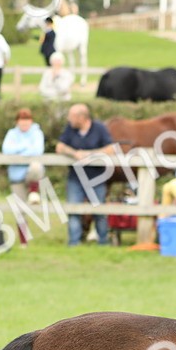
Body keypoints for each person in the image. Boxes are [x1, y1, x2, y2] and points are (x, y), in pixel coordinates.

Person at [54, 103, 117, 246]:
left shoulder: (99, 128)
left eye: (71, 117)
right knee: (74, 210)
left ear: (81, 118)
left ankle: (103, 242)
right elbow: (60, 147)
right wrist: (75, 153)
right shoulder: (70, 129)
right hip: (75, 178)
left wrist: (90, 155)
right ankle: (74, 243)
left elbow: (111, 149)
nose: (69, 120)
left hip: (97, 178)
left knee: (99, 211)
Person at [2, 108, 45, 244]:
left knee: (36, 167)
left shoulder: (37, 133)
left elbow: (37, 150)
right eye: (22, 121)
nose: (24, 124)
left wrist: (18, 150)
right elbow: (6, 150)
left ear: (31, 121)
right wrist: (26, 147)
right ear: (17, 122)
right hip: (16, 176)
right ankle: (23, 241)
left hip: (32, 174)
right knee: (19, 211)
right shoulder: (11, 134)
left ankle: (33, 191)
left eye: (27, 121)